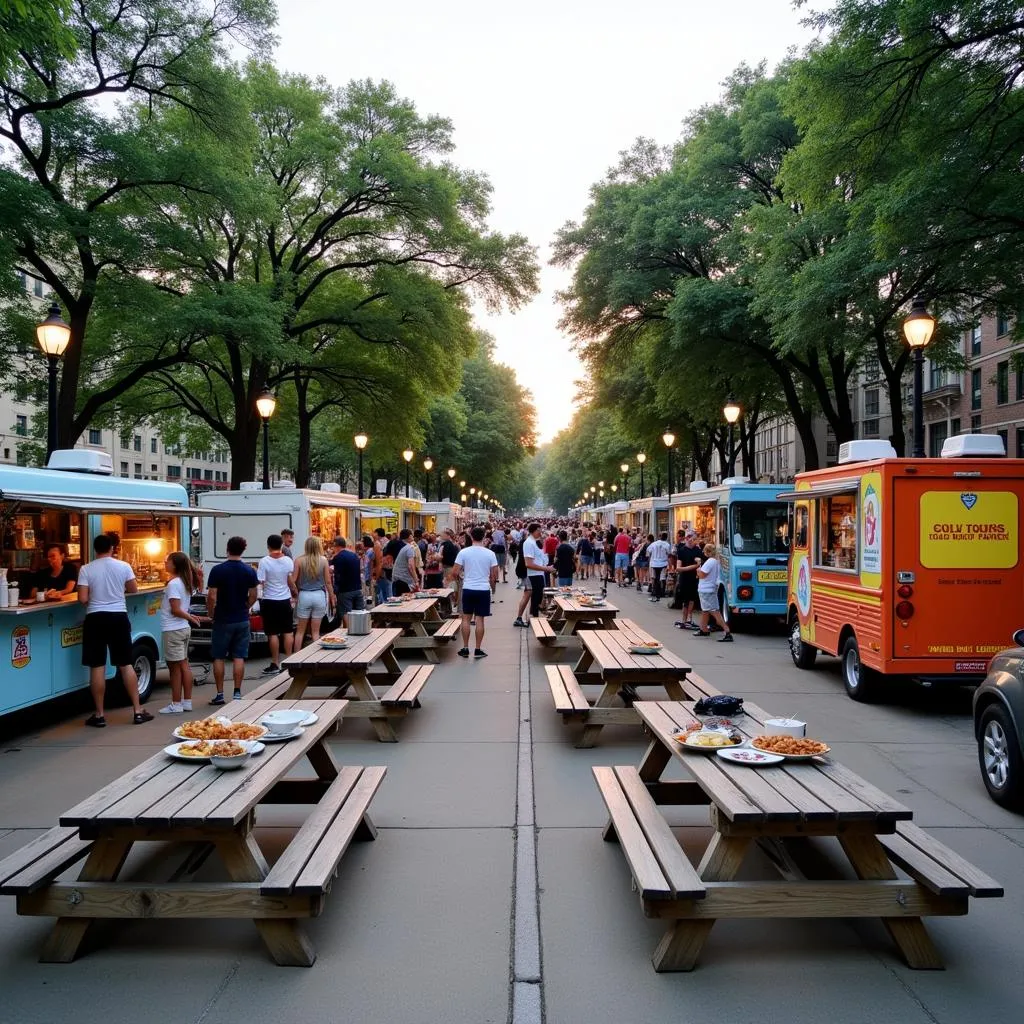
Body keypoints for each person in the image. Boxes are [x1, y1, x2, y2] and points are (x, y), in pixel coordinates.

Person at [77, 533, 152, 727]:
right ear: (112, 548)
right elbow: (133, 589)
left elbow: (83, 598)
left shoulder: (86, 569)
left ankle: (100, 714)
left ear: (95, 549)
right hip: (118, 617)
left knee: (97, 666)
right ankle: (137, 711)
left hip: (95, 618)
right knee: (125, 664)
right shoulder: (123, 566)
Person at [206, 535, 259, 704]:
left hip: (222, 618)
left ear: (227, 549)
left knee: (219, 656)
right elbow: (254, 594)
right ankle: (237, 692)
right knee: (239, 656)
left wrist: (211, 612)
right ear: (243, 550)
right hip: (242, 618)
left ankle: (220, 693)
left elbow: (212, 595)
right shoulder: (250, 570)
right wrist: (246, 606)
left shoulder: (217, 570)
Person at [158, 552, 202, 714]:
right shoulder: (185, 582)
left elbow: (175, 610)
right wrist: (189, 616)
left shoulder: (173, 584)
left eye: (167, 561)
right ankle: (187, 701)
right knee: (184, 664)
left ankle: (176, 703)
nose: (165, 563)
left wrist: (189, 616)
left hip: (173, 629)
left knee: (175, 669)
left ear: (175, 565)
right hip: (182, 628)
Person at [453, 525, 499, 658]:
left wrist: (462, 576)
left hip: (468, 587)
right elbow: (495, 574)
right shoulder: (490, 554)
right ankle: (478, 649)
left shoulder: (464, 552)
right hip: (483, 589)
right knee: (480, 620)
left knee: (466, 619)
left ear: (471, 537)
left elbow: (455, 571)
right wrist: (491, 584)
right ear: (484, 537)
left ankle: (465, 648)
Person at [258, 534, 296, 674]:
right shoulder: (288, 561)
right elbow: (289, 580)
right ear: (281, 545)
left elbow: (261, 582)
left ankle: (275, 662)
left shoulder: (264, 561)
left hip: (269, 600)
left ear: (268, 546)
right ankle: (289, 659)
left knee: (272, 633)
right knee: (288, 631)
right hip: (284, 599)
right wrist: (295, 592)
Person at [292, 536, 334, 649]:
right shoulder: (324, 560)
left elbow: (293, 580)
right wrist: (332, 597)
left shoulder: (299, 560)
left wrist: (294, 593)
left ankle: (296, 657)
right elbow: (328, 582)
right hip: (319, 595)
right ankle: (316, 658)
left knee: (300, 631)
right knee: (316, 632)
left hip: (304, 595)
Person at [513, 522, 555, 626]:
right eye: (539, 530)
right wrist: (546, 568)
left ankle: (531, 617)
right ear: (535, 530)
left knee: (535, 596)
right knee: (530, 596)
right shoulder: (529, 543)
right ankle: (526, 618)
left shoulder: (533, 542)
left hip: (537, 574)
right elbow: (529, 563)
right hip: (532, 574)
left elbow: (540, 557)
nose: (541, 533)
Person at [694, 543, 733, 641]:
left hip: (706, 589)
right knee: (705, 610)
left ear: (708, 552)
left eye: (704, 551)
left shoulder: (710, 561)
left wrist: (698, 569)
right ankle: (703, 629)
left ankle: (727, 631)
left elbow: (702, 575)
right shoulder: (716, 561)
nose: (703, 553)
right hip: (711, 588)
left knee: (714, 611)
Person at [330, 536, 364, 627]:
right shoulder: (354, 555)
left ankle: (351, 633)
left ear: (336, 546)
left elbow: (337, 574)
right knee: (358, 613)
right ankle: (357, 631)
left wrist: (335, 590)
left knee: (345, 613)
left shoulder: (338, 557)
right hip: (357, 588)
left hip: (345, 590)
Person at [671, 529, 703, 628]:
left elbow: (701, 564)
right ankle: (684, 620)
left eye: (695, 539)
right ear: (688, 539)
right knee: (685, 600)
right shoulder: (682, 550)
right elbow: (678, 568)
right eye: (693, 539)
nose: (694, 541)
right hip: (684, 578)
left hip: (694, 577)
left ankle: (689, 618)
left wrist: (698, 565)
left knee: (692, 598)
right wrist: (694, 566)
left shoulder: (697, 550)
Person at [391, 529, 421, 595]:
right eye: (412, 535)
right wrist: (416, 580)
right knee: (406, 603)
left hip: (398, 580)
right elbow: (411, 566)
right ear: (410, 536)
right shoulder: (410, 548)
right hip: (403, 581)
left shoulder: (405, 548)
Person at [646, 532, 672, 602]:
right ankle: (661, 593)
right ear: (666, 538)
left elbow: (648, 551)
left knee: (655, 578)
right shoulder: (667, 544)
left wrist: (651, 558)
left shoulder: (654, 544)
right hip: (663, 563)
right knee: (662, 577)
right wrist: (670, 565)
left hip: (654, 563)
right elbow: (669, 554)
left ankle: (655, 593)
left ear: (660, 537)